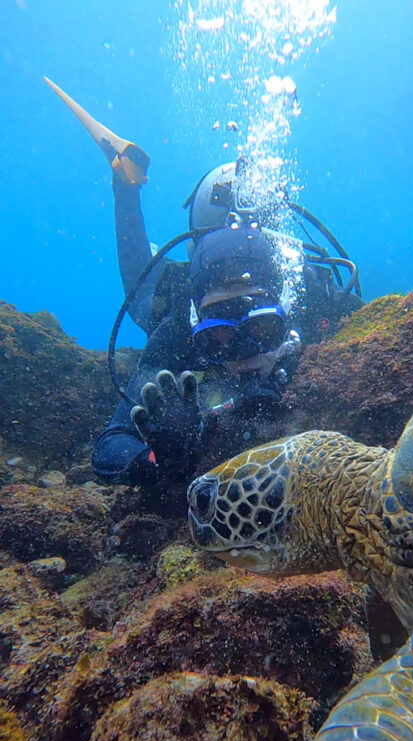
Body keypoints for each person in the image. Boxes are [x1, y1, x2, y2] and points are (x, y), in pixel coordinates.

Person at [45, 78, 364, 489]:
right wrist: (156, 458)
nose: (244, 355)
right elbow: (110, 448)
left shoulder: (315, 299)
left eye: (263, 328)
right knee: (145, 302)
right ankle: (126, 184)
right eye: (217, 338)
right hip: (173, 303)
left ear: (285, 303)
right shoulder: (178, 329)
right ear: (197, 320)